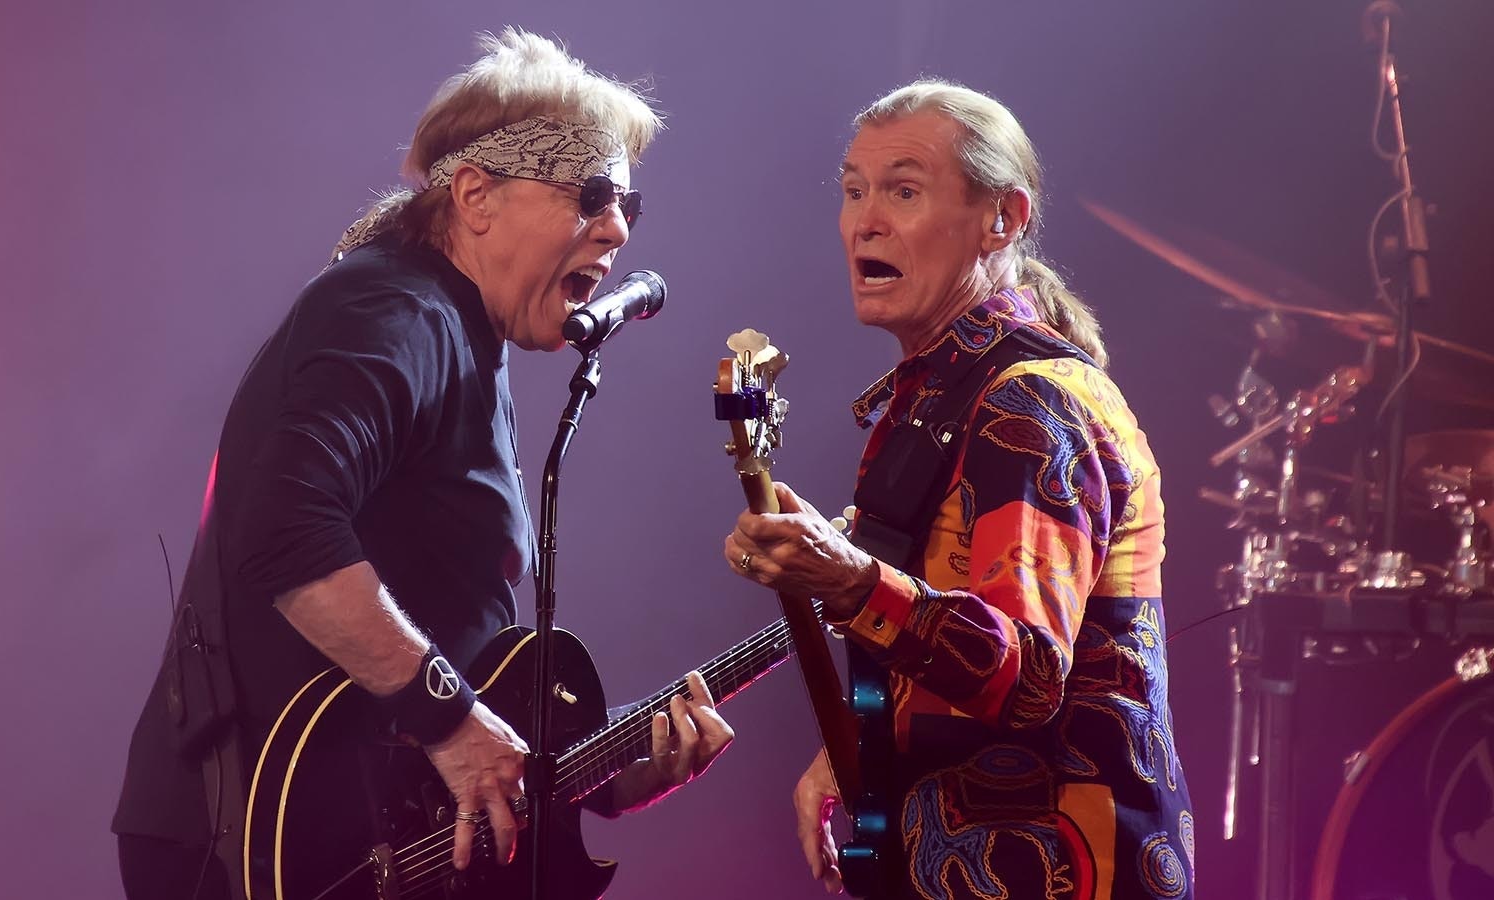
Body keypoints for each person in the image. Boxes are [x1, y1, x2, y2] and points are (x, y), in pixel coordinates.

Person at [113, 28, 732, 900]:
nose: (620, 227)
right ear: (476, 195)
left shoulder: (458, 333)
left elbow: (466, 681)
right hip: (260, 842)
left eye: (633, 204)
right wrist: (451, 719)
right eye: (592, 195)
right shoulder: (395, 308)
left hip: (342, 836)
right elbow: (284, 525)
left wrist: (616, 765)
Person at [724, 80, 1194, 899]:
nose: (865, 220)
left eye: (904, 191)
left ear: (1002, 220)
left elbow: (1029, 674)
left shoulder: (1028, 401)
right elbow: (945, 641)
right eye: (853, 190)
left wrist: (850, 578)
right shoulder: (945, 393)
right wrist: (860, 744)